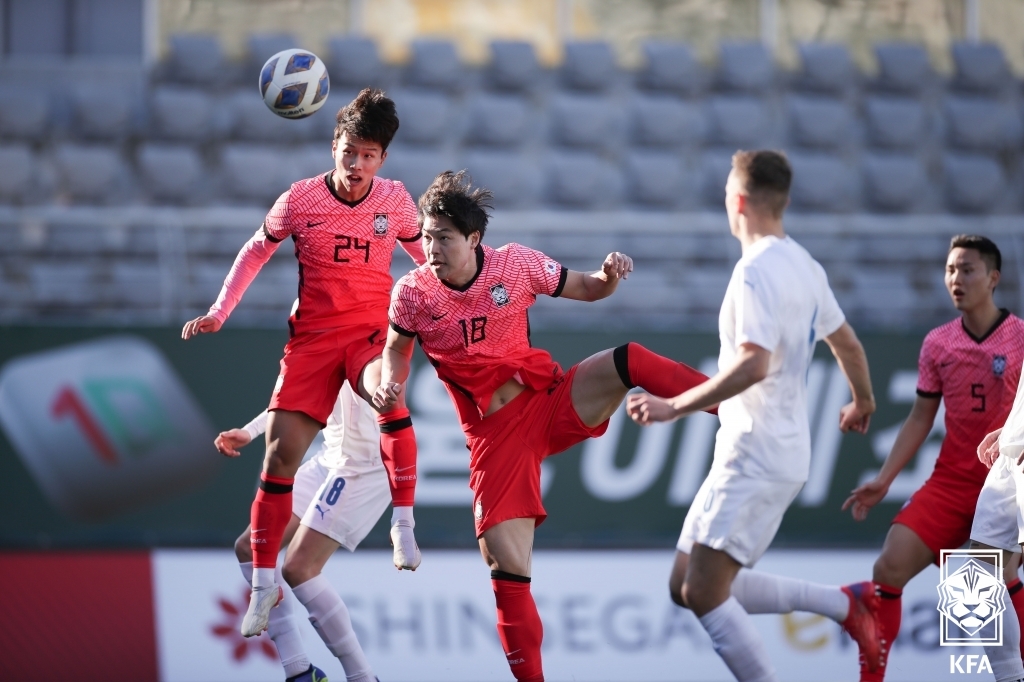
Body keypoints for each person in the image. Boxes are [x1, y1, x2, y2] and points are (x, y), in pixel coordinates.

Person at [373, 170, 715, 682]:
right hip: (493, 436)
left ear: (472, 239)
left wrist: (609, 276)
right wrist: (389, 382)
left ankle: (730, 406)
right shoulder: (413, 294)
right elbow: (395, 352)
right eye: (425, 237)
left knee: (629, 359)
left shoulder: (515, 264)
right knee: (506, 568)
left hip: (547, 400)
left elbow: (589, 288)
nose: (431, 247)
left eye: (442, 237)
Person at [182, 88, 426, 638]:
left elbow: (426, 260)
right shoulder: (299, 199)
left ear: (382, 159)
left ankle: (404, 526)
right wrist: (220, 311)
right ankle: (264, 585)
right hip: (313, 341)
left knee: (388, 391)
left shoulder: (396, 200)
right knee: (281, 455)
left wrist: (460, 296)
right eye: (349, 150)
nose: (357, 163)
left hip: (369, 335)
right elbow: (254, 251)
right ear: (333, 144)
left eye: (369, 155)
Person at [627, 150, 877, 682]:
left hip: (756, 455)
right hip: (765, 451)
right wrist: (864, 400)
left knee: (702, 590)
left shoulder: (755, 271)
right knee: (684, 583)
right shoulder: (805, 265)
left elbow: (753, 364)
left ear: (737, 201)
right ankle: (847, 604)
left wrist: (675, 405)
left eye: (725, 193)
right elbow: (848, 344)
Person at [843, 234, 1024, 681]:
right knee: (888, 566)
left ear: (993, 277)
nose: (956, 279)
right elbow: (921, 418)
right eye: (950, 270)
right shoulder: (938, 343)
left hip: (1004, 484)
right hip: (951, 483)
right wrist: (885, 479)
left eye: (967, 269)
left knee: (986, 581)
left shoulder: (1020, 337)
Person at [219, 380, 387, 682]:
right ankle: (298, 671)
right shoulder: (317, 339)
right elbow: (298, 393)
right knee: (250, 547)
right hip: (329, 460)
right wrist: (250, 431)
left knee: (299, 567)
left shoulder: (373, 335)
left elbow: (384, 375)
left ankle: (362, 677)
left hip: (365, 467)